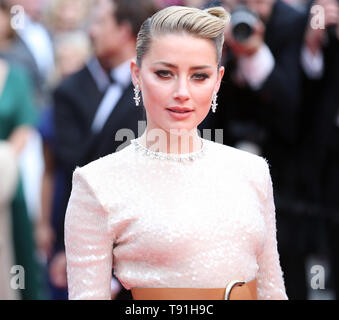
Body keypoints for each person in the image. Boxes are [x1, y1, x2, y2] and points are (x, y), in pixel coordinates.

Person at [64, 5, 287, 300]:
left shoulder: (253, 171)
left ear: (218, 80)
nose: (182, 91)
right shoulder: (96, 184)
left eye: (199, 76)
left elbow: (273, 291)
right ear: (136, 74)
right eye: (165, 73)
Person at [54, 0, 158, 299]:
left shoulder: (153, 95)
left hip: (139, 260)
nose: (91, 32)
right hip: (93, 243)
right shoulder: (73, 90)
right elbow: (72, 168)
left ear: (125, 31)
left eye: (99, 22)